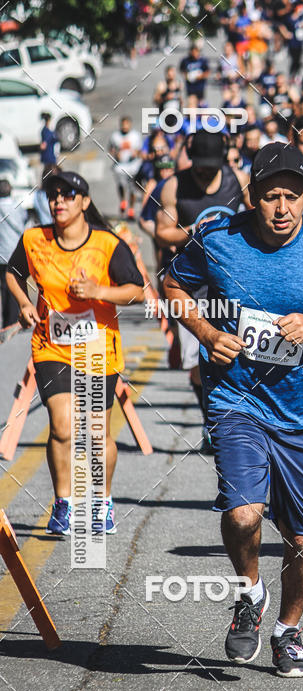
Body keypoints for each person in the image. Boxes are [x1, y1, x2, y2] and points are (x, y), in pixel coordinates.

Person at [164, 142, 303, 676]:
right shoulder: (218, 240)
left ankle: (288, 630)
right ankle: (248, 592)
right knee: (242, 514)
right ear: (252, 197)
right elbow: (172, 284)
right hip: (237, 401)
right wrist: (205, 331)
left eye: (292, 195)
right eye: (270, 197)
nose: (282, 207)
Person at [6, 171, 145, 535]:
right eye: (53, 195)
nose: (59, 201)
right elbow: (13, 272)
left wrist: (99, 290)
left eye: (68, 195)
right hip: (51, 346)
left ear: (84, 202)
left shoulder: (107, 244)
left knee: (96, 433)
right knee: (63, 425)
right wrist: (22, 302)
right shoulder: (35, 239)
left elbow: (138, 291)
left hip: (99, 349)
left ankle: (102, 502)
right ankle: (64, 504)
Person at [155, 130, 250, 452]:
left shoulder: (237, 179)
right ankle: (211, 418)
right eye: (201, 166)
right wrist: (191, 232)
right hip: (190, 282)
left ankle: (234, 419)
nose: (206, 172)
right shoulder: (174, 185)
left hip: (231, 279)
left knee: (237, 350)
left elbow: (257, 213)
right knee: (195, 361)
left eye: (212, 166)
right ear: (191, 159)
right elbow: (161, 231)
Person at [0, 179, 27, 327]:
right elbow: (22, 223)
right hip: (16, 252)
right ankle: (19, 317)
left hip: (2, 255)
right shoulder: (17, 207)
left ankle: (7, 320)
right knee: (18, 285)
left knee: (5, 287)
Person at [109, 115, 143, 219]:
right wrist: (115, 154)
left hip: (133, 166)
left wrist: (135, 153)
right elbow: (111, 149)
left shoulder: (135, 136)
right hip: (120, 166)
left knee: (132, 189)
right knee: (121, 185)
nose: (125, 127)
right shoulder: (115, 136)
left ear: (130, 125)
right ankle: (123, 200)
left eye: (127, 124)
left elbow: (141, 150)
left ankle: (131, 209)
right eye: (123, 125)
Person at [179, 41, 211, 108]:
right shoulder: (186, 60)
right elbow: (181, 69)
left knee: (201, 105)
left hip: (200, 86)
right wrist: (187, 76)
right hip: (190, 87)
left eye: (196, 52)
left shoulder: (203, 60)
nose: (195, 54)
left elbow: (208, 71)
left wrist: (201, 76)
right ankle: (192, 117)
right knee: (191, 104)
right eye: (193, 52)